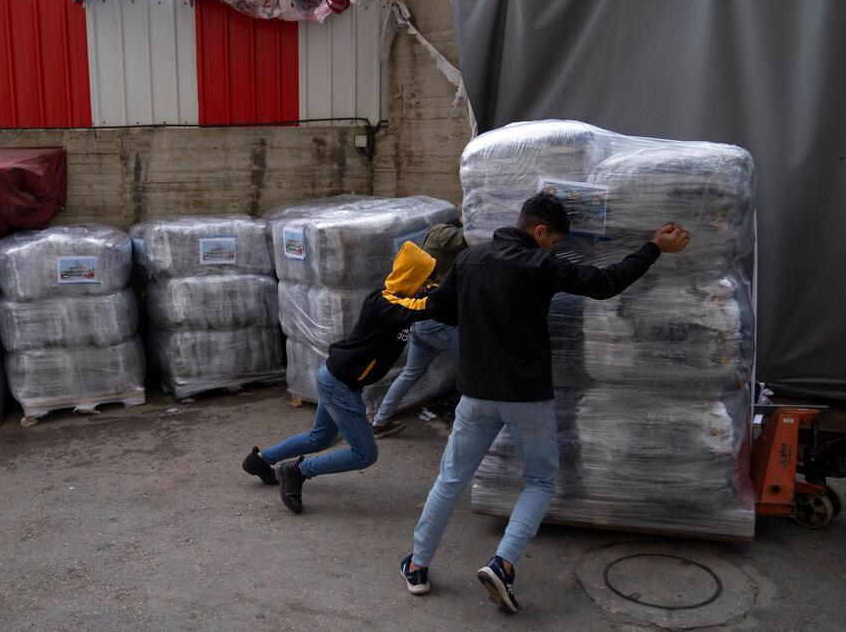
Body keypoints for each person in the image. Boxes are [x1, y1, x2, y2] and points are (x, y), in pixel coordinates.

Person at [399, 192, 690, 611]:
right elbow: (606, 284)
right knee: (539, 481)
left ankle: (418, 566)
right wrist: (653, 248)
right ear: (539, 231)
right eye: (553, 239)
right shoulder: (542, 264)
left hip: (476, 394)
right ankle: (503, 564)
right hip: (527, 398)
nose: (554, 246)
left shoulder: (469, 259)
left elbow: (442, 312)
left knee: (450, 480)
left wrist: (479, 313)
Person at [242, 241, 450, 514]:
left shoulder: (399, 301)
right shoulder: (384, 303)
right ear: (411, 279)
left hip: (335, 377)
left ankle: (260, 460)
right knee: (364, 454)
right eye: (424, 280)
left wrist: (439, 289)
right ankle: (298, 471)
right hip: (340, 384)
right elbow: (423, 307)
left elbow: (427, 300)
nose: (427, 286)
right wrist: (453, 289)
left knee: (319, 438)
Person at [371, 218, 469, 439]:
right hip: (435, 322)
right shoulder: (441, 234)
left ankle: (380, 421)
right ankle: (461, 426)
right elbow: (470, 237)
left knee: (409, 373)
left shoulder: (439, 235)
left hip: (424, 322)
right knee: (474, 365)